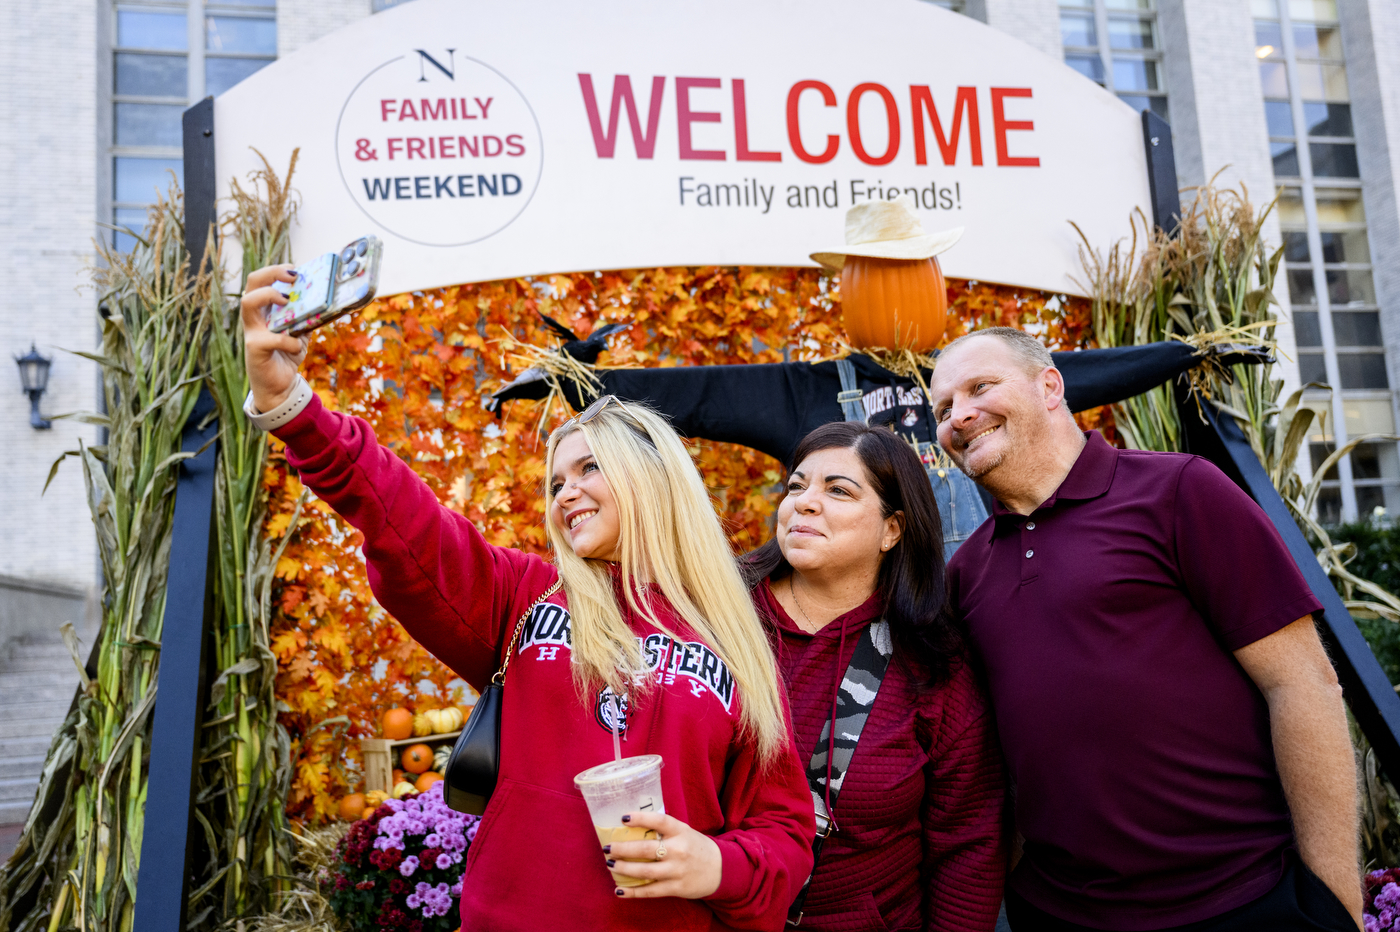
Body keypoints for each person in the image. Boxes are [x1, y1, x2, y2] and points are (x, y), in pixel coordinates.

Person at [239, 264, 816, 931]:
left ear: (654, 479)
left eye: (589, 468)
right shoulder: (524, 597)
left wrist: (716, 865)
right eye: (555, 483)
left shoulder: (735, 635)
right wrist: (293, 408)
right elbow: (404, 516)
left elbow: (783, 831)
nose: (565, 492)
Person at [929, 327, 1361, 932]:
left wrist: (1336, 906)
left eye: (980, 387)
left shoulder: (1181, 491)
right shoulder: (963, 574)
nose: (960, 415)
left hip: (1240, 901)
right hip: (1063, 914)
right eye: (943, 408)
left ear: (1049, 386)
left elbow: (1304, 687)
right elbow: (995, 764)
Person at [742, 420, 1006, 931]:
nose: (805, 502)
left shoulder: (932, 663)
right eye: (796, 486)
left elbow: (968, 846)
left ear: (892, 530)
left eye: (838, 490)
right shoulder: (711, 618)